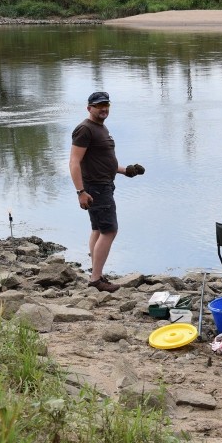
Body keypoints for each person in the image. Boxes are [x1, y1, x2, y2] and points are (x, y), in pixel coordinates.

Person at [69, 91, 145, 292]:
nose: (103, 108)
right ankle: (96, 280)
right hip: (96, 188)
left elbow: (102, 161)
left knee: (98, 229)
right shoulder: (85, 129)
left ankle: (97, 273)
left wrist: (125, 170)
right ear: (89, 108)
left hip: (102, 185)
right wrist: (80, 191)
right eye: (99, 105)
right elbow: (74, 162)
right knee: (109, 230)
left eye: (106, 105)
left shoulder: (100, 128)